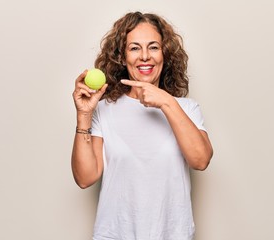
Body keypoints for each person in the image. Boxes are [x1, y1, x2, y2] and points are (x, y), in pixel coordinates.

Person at [71, 11, 213, 240]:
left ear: (165, 55)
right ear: (122, 56)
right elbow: (85, 178)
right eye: (134, 48)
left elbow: (201, 160)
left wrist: (166, 101)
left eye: (154, 47)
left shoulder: (186, 108)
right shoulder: (105, 110)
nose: (145, 56)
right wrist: (83, 115)